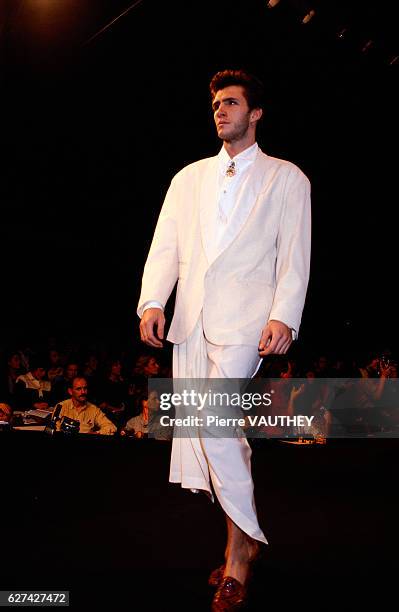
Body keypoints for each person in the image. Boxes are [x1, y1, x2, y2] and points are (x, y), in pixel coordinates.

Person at [137, 69, 311, 610]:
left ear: (255, 113)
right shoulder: (188, 178)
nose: (220, 110)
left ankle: (243, 552)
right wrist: (151, 301)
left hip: (246, 323)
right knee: (223, 435)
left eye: (231, 103)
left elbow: (294, 256)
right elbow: (165, 244)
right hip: (192, 321)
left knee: (214, 426)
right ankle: (240, 544)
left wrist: (285, 316)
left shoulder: (288, 178)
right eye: (215, 103)